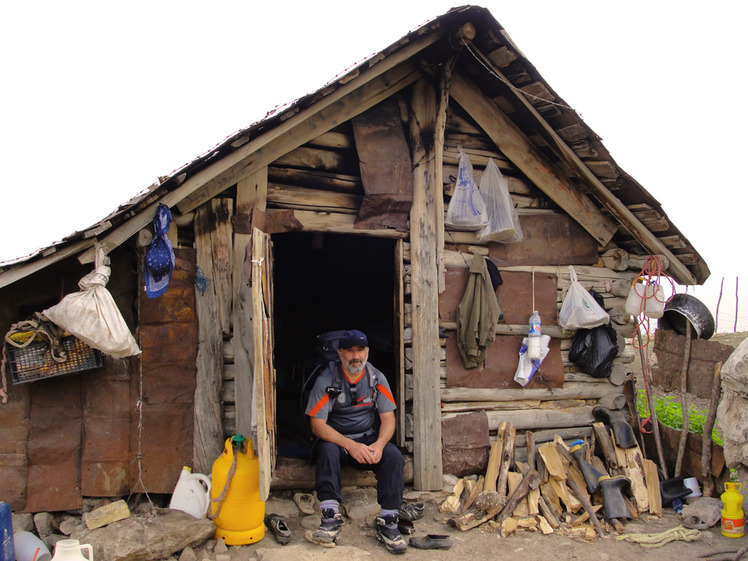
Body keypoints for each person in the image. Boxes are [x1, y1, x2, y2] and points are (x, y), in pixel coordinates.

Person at [304, 329, 407, 554]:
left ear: (367, 352)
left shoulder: (376, 378)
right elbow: (317, 426)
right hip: (337, 441)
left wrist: (378, 445)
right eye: (349, 351)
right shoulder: (326, 380)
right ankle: (330, 518)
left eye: (360, 350)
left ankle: (389, 521)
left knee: (393, 456)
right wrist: (350, 445)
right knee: (327, 450)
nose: (355, 356)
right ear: (340, 353)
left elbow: (388, 419)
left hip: (367, 439)